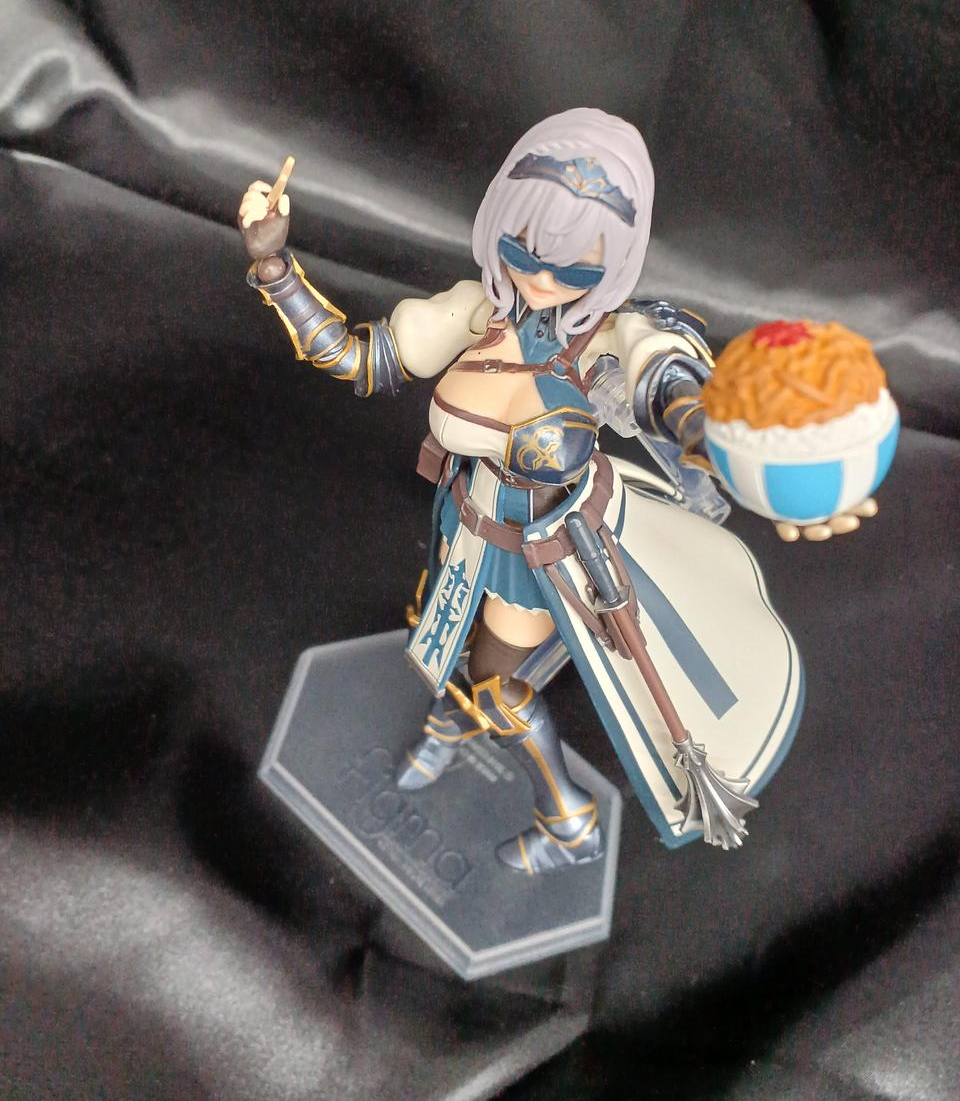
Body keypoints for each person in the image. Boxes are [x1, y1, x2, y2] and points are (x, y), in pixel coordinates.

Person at [238, 108, 805, 874]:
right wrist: (276, 268)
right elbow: (362, 359)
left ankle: (567, 819)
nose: (541, 279)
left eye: (575, 269)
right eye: (524, 250)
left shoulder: (608, 339)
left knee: (498, 686)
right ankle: (449, 722)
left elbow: (668, 387)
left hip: (542, 551)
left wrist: (725, 439)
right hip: (463, 516)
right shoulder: (478, 311)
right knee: (436, 625)